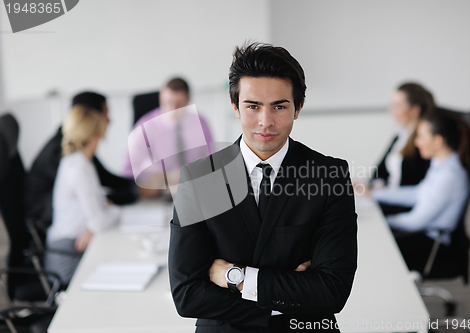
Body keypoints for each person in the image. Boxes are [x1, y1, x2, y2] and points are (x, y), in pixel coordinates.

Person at [168, 43, 357, 332]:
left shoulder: (328, 175)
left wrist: (237, 277)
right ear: (235, 107)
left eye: (279, 107)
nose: (265, 122)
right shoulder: (200, 178)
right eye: (252, 106)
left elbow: (332, 291)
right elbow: (187, 295)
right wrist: (284, 296)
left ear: (298, 108)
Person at [24, 92, 137, 239]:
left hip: (69, 230)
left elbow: (104, 181)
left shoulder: (77, 154)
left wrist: (133, 189)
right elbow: (94, 212)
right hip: (54, 226)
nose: (109, 120)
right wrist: (111, 208)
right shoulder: (70, 161)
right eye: (106, 113)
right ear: (89, 118)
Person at [372, 109, 470, 273]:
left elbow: (417, 221)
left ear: (437, 141)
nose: (417, 142)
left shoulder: (449, 176)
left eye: (421, 136)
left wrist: (383, 222)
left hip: (430, 243)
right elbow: (417, 194)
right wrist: (375, 194)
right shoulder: (441, 164)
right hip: (421, 233)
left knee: (372, 244)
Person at [44, 105, 120, 284]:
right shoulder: (79, 169)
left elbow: (96, 217)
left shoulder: (77, 162)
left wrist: (94, 223)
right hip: (67, 252)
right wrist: (115, 211)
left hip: (72, 245)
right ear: (96, 135)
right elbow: (99, 221)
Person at [121, 77, 213, 198]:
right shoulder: (144, 128)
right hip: (157, 196)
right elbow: (126, 172)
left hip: (194, 194)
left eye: (179, 104)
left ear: (188, 100)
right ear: (161, 99)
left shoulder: (201, 123)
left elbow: (212, 161)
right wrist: (161, 179)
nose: (173, 109)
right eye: (168, 103)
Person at [371, 83, 435, 191]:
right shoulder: (400, 133)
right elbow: (378, 171)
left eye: (397, 106)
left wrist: (381, 195)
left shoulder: (422, 142)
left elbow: (415, 187)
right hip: (386, 196)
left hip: (399, 202)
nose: (391, 110)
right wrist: (378, 187)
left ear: (415, 110)